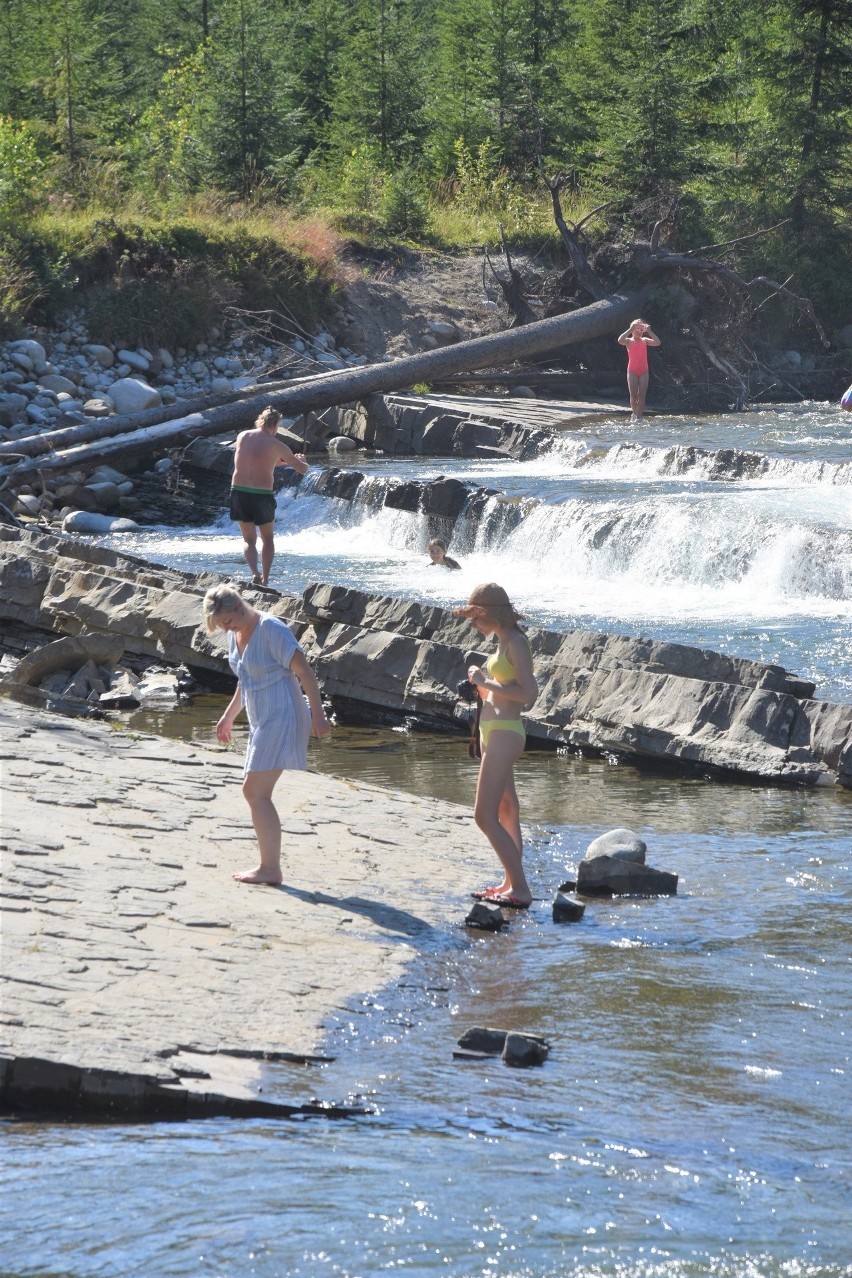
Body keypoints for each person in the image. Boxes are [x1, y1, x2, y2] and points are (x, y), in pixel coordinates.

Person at [204, 584, 331, 885]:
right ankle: (269, 866)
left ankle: (270, 868)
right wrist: (229, 715)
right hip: (261, 717)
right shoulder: (234, 634)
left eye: (228, 621)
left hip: (283, 714)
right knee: (255, 792)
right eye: (222, 626)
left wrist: (319, 714)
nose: (227, 628)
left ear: (238, 605)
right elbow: (245, 678)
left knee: (255, 791)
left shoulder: (271, 628)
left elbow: (305, 672)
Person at [456, 583, 538, 909]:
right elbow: (501, 692)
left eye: (475, 618)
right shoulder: (503, 643)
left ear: (488, 614)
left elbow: (528, 695)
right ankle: (509, 882)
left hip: (505, 733)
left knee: (483, 815)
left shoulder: (517, 642)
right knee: (506, 809)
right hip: (494, 731)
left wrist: (484, 681)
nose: (473, 625)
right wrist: (480, 688)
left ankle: (521, 888)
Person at [230, 407, 309, 586]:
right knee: (268, 539)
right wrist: (302, 461)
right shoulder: (278, 445)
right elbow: (303, 470)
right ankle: (265, 579)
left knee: (249, 540)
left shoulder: (243, 436)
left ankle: (254, 573)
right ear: (276, 425)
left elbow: (252, 460)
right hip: (262, 495)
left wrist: (276, 462)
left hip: (239, 491)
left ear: (261, 421)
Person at [617, 318, 661, 423]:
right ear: (632, 330)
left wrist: (649, 331)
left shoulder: (645, 340)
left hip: (644, 371)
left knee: (642, 395)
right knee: (633, 396)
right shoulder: (628, 341)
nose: (639, 332)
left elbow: (658, 343)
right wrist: (630, 328)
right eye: (637, 329)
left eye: (642, 329)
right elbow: (620, 340)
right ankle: (635, 413)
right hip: (632, 370)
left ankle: (639, 418)